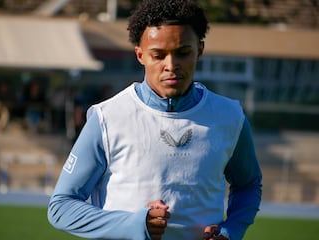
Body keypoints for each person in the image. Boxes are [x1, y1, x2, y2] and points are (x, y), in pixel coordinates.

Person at [47, 0, 262, 239]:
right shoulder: (106, 118)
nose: (171, 65)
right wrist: (134, 224)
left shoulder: (230, 116)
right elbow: (61, 207)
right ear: (140, 55)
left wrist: (230, 230)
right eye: (158, 55)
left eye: (183, 53)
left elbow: (248, 184)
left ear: (199, 50)